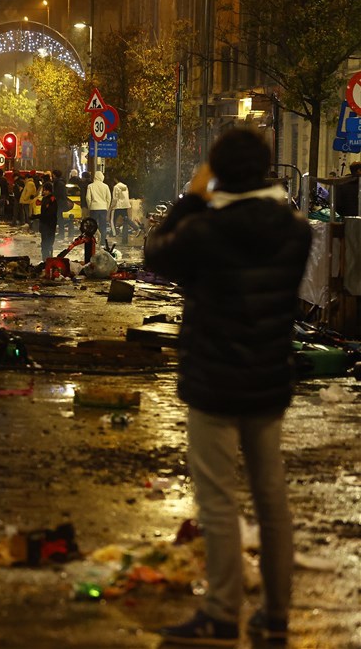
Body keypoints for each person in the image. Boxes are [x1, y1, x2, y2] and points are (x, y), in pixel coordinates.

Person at [146, 128, 312, 647]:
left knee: (218, 500)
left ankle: (221, 613)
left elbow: (155, 256)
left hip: (214, 382)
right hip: (268, 381)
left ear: (217, 172)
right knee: (271, 497)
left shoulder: (204, 229)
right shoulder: (297, 231)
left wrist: (191, 199)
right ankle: (276, 614)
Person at [31, 181, 57, 259]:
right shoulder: (45, 199)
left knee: (48, 243)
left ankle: (48, 259)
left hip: (49, 224)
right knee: (44, 243)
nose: (44, 191)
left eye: (45, 190)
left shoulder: (52, 199)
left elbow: (50, 213)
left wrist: (37, 216)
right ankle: (45, 259)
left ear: (49, 190)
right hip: (45, 224)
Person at [86, 170, 111, 237]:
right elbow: (108, 198)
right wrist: (106, 207)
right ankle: (102, 242)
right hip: (103, 208)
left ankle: (92, 240)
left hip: (94, 208)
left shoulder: (90, 186)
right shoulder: (106, 186)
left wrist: (89, 207)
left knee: (92, 225)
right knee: (103, 225)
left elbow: (88, 198)